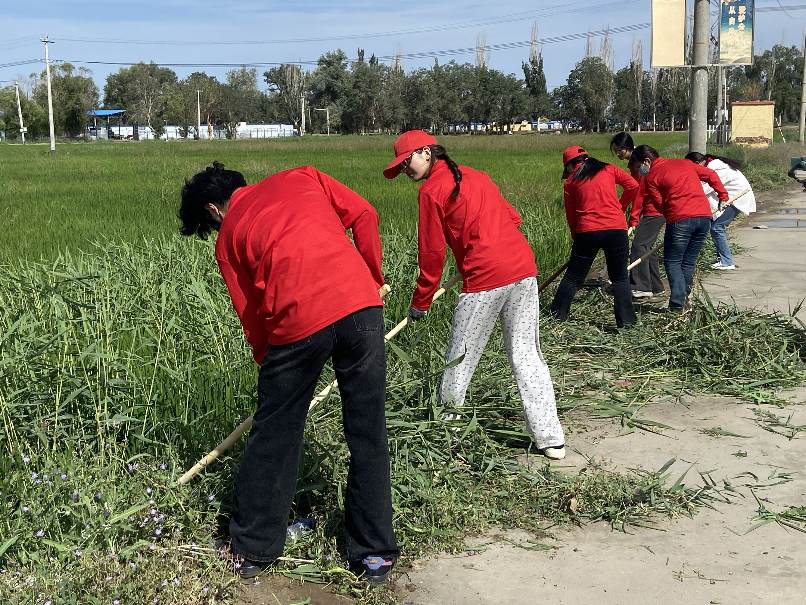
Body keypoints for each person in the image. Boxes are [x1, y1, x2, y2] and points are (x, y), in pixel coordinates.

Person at [178, 162, 399, 583]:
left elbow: (252, 317)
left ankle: (251, 550)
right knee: (368, 428)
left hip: (298, 325)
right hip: (361, 308)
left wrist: (275, 380)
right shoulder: (304, 175)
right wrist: (373, 277)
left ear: (212, 209)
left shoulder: (228, 236)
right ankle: (374, 554)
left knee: (274, 436)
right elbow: (366, 215)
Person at [383, 130, 566, 460]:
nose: (404, 171)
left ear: (426, 152)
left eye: (406, 163)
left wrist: (420, 302)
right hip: (522, 269)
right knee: (526, 354)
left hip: (485, 277)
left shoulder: (430, 191)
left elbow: (432, 254)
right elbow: (514, 217)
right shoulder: (477, 175)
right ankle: (551, 438)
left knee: (459, 359)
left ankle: (445, 436)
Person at [629, 146, 729, 312]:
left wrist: (672, 218)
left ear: (647, 161)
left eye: (640, 166)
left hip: (680, 219)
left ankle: (676, 304)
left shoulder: (651, 176)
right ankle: (684, 299)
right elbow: (711, 175)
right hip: (704, 217)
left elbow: (659, 204)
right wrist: (723, 196)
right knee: (688, 261)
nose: (641, 170)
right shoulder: (685, 163)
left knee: (673, 261)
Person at [550, 145, 640, 328]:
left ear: (569, 165)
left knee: (573, 277)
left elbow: (571, 216)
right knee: (620, 278)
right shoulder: (608, 168)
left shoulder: (571, 182)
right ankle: (627, 323)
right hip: (616, 230)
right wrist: (619, 207)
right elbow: (633, 185)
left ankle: (557, 316)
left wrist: (576, 237)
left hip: (587, 232)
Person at [610, 132, 665, 299]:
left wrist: (633, 216)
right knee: (647, 248)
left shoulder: (640, 163)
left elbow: (639, 190)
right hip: (652, 209)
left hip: (654, 209)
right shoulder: (636, 161)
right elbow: (632, 189)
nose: (618, 154)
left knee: (638, 246)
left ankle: (641, 287)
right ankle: (656, 286)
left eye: (619, 150)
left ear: (627, 148)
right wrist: (620, 208)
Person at [685, 152, 756, 271]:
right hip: (731, 198)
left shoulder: (717, 169)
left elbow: (704, 189)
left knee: (717, 228)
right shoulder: (714, 165)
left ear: (697, 164)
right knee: (715, 227)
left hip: (738, 198)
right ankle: (722, 259)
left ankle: (727, 262)